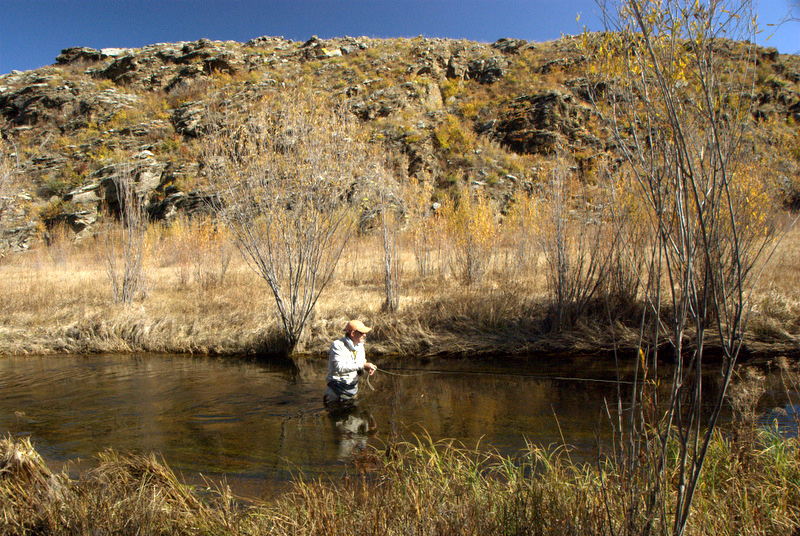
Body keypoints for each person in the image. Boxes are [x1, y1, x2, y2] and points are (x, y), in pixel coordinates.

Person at [323, 319, 377, 407]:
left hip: (352, 390)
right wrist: (362, 365)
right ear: (352, 334)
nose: (365, 335)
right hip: (335, 392)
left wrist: (365, 368)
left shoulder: (360, 346)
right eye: (362, 333)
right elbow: (339, 367)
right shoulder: (337, 345)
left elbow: (361, 363)